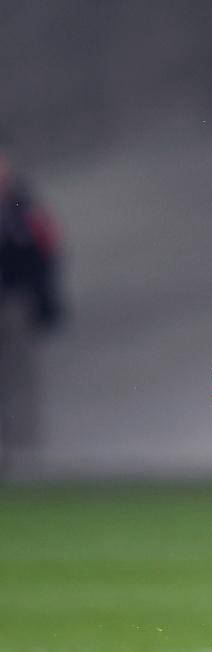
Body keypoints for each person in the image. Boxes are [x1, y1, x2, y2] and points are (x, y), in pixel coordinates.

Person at [0, 145, 61, 469]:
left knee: (17, 374)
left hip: (14, 301)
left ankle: (19, 450)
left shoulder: (22, 209)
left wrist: (45, 300)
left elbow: (46, 253)